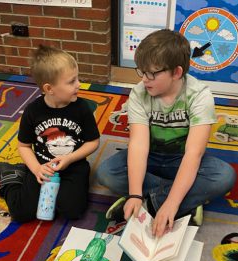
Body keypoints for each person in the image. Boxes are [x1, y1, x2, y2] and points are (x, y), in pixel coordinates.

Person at [96, 29, 236, 237]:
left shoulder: (199, 96)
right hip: (149, 157)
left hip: (182, 160)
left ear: (176, 73)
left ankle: (154, 201)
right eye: (141, 72)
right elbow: (138, 146)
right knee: (106, 171)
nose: (144, 79)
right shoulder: (139, 94)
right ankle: (185, 202)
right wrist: (134, 193)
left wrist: (170, 203)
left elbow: (193, 154)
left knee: (224, 176)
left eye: (151, 73)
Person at [0, 45, 100, 223]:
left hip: (73, 165)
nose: (79, 84)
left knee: (71, 211)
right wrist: (36, 168)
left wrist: (70, 158)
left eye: (77, 79)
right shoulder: (32, 111)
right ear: (49, 88)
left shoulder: (82, 108)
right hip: (41, 167)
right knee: (22, 213)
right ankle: (11, 174)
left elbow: (93, 142)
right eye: (71, 81)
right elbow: (24, 146)